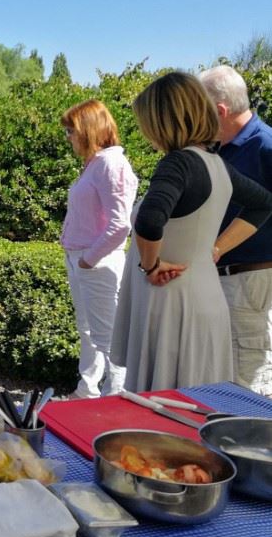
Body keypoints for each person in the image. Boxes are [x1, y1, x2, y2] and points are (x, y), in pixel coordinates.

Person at [111, 72, 272, 391]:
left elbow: (150, 219)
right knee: (203, 397)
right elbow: (263, 204)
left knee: (167, 402)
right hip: (204, 296)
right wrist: (215, 249)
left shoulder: (178, 163)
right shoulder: (215, 163)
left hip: (173, 303)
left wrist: (151, 265)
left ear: (163, 121)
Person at [198, 65, 272, 397]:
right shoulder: (222, 148)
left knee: (248, 383)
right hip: (229, 279)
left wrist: (216, 248)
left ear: (220, 111)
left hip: (249, 282)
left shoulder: (265, 146)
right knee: (226, 381)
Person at [60, 100, 138, 398]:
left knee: (107, 338)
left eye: (71, 130)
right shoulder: (96, 163)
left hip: (98, 262)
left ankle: (114, 401)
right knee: (89, 331)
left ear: (88, 129)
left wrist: (88, 261)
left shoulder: (110, 163)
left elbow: (120, 224)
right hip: (84, 260)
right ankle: (87, 393)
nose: (68, 137)